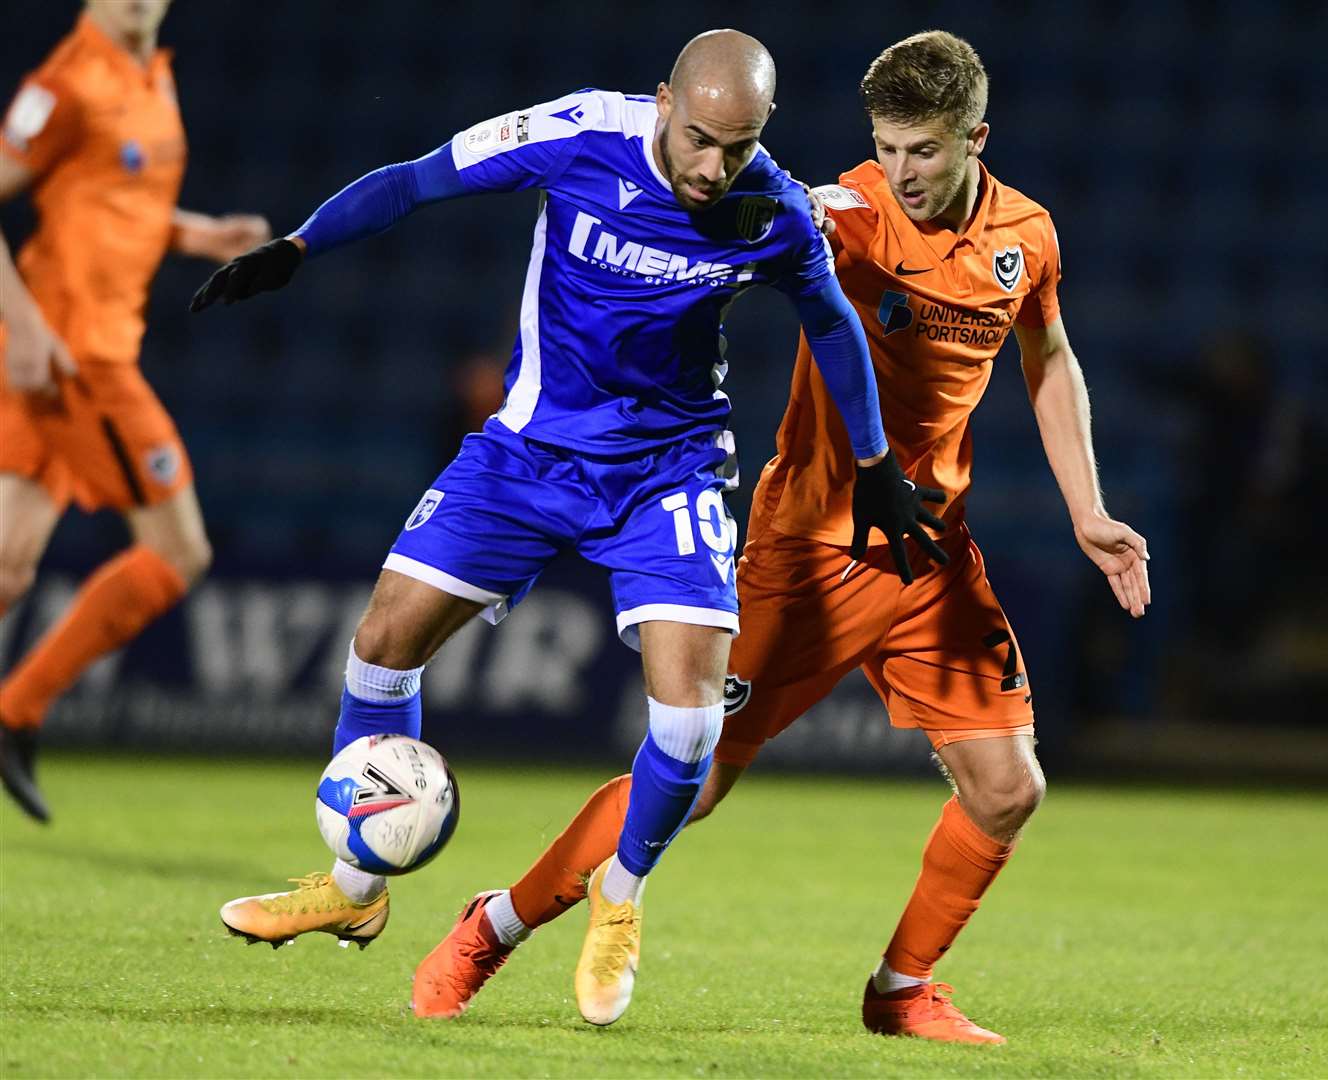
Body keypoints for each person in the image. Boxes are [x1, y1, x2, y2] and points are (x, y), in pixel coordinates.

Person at [409, 31, 1151, 1043]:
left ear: (975, 138)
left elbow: (1049, 355)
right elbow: (722, 225)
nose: (901, 173)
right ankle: (492, 927)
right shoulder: (840, 212)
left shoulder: (1029, 236)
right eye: (886, 148)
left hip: (928, 556)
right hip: (806, 551)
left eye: (924, 152)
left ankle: (899, 992)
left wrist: (1088, 510)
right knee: (694, 780)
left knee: (1008, 785)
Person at [195, 29, 941, 1028]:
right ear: (664, 99)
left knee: (689, 723)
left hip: (666, 471)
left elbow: (833, 325)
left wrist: (876, 463)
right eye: (700, 139)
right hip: (528, 456)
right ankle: (355, 887)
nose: (715, 169)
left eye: (741, 144)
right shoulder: (579, 132)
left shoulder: (774, 208)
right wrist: (300, 245)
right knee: (382, 641)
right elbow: (419, 181)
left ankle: (620, 898)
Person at [0, 0, 271, 822]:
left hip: (77, 353)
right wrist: (23, 328)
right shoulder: (67, 84)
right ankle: (16, 712)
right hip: (74, 358)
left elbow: (113, 202)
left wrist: (201, 236)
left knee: (8, 566)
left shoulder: (153, 73)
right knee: (178, 550)